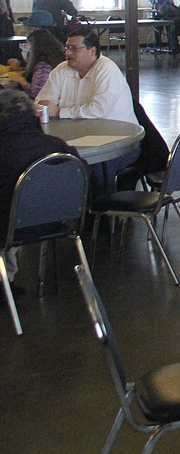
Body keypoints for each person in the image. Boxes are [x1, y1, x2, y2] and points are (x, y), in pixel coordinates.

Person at [0, 89, 82, 286]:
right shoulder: (57, 146)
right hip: (58, 222)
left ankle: (6, 281)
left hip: (10, 228)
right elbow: (83, 174)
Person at [36, 28, 135, 124]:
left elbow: (98, 111)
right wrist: (45, 107)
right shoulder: (61, 69)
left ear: (92, 51)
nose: (67, 53)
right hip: (76, 132)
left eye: (74, 48)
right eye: (67, 48)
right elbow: (42, 101)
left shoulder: (107, 69)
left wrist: (59, 112)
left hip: (117, 135)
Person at [7, 29, 66, 99]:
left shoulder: (44, 66)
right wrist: (21, 69)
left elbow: (36, 93)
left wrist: (21, 80)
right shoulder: (56, 58)